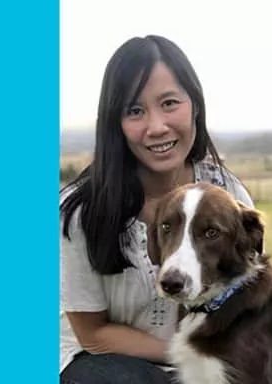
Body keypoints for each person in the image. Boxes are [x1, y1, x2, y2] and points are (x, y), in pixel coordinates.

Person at [59, 34, 256, 384]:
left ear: (195, 105)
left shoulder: (227, 194)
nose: (156, 127)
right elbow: (93, 335)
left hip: (202, 359)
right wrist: (195, 357)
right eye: (135, 111)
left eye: (169, 103)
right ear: (115, 123)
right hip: (97, 361)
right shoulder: (80, 212)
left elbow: (249, 303)